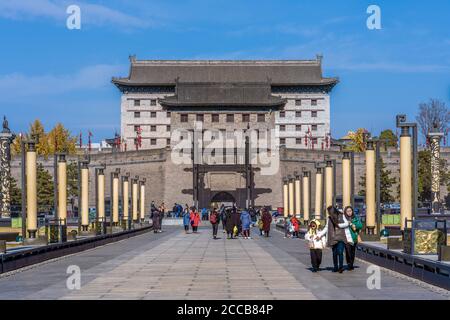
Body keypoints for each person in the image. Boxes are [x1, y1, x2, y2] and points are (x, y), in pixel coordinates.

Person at [316, 206, 349, 273]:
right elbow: (326, 228)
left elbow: (347, 223)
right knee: (334, 253)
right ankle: (335, 267)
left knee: (340, 252)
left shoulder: (341, 216)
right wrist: (319, 235)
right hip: (333, 238)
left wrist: (339, 225)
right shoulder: (329, 218)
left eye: (329, 212)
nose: (329, 213)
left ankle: (341, 267)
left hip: (341, 237)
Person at [341, 206, 363, 270]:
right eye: (348, 211)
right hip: (346, 238)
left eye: (350, 211)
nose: (349, 212)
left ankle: (351, 264)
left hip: (354, 238)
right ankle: (349, 263)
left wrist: (354, 225)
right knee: (348, 251)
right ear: (345, 212)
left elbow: (360, 226)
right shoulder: (343, 219)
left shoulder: (355, 218)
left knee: (352, 252)